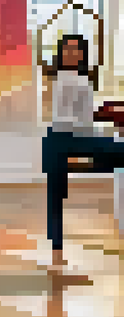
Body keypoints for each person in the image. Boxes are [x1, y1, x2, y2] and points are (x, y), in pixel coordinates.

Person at [41, 33, 124, 267]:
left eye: (76, 50)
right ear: (61, 53)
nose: (71, 53)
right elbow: (75, 119)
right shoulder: (71, 79)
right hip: (66, 138)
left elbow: (78, 115)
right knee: (55, 194)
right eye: (67, 49)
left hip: (63, 138)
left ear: (82, 53)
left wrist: (101, 116)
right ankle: (56, 250)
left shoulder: (72, 78)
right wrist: (105, 116)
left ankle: (56, 251)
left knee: (55, 195)